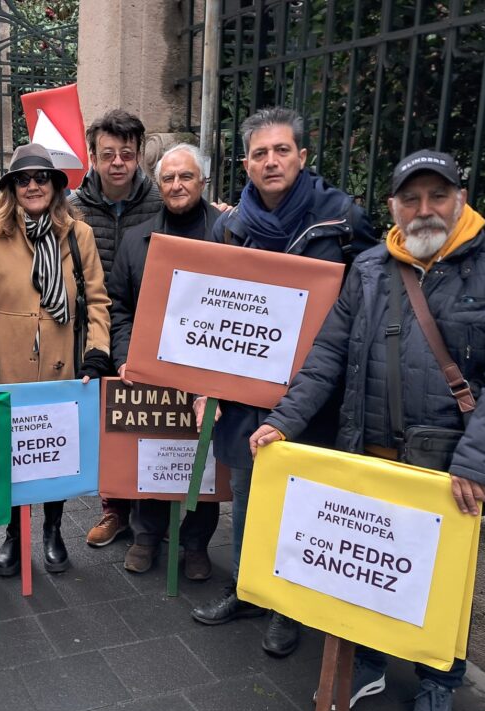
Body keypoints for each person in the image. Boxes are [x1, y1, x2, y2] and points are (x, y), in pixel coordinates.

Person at [250, 149, 485, 711]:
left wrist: (477, 462)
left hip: (450, 467)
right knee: (367, 567)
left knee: (445, 583)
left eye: (438, 196)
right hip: (371, 455)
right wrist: (283, 422)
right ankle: (368, 664)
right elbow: (328, 355)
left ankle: (438, 683)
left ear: (461, 199)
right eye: (411, 198)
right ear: (393, 206)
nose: (424, 209)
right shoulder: (368, 268)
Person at [190, 107, 377, 661]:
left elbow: (369, 302)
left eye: (281, 150)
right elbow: (211, 312)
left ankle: (287, 608)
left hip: (313, 395)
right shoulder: (230, 227)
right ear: (246, 163)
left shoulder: (343, 221)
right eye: (260, 153)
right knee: (248, 492)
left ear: (302, 156)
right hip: (247, 392)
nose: (271, 161)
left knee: (300, 501)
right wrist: (204, 386)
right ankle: (248, 587)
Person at [0, 143, 112, 576]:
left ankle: (52, 530)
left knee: (54, 451)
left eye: (41, 178)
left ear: (55, 185)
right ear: (12, 188)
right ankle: (15, 534)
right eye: (23, 180)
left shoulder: (78, 234)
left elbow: (98, 301)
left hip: (60, 363)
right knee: (13, 455)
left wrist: (96, 351)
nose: (33, 186)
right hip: (10, 364)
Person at [108, 143, 223, 578]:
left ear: (203, 181)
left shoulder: (229, 234)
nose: (177, 185)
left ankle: (195, 544)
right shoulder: (137, 239)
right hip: (152, 370)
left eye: (186, 176)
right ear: (159, 185)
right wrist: (124, 358)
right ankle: (146, 536)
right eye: (169, 178)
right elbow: (119, 306)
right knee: (154, 453)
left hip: (210, 371)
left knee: (203, 457)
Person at [70, 109, 163, 549]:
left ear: (139, 154)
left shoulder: (160, 201)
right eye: (108, 154)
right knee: (104, 426)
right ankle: (114, 510)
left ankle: (151, 511)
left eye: (126, 153)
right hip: (91, 330)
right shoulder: (73, 206)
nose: (118, 163)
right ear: (93, 157)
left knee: (144, 423)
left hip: (144, 328)